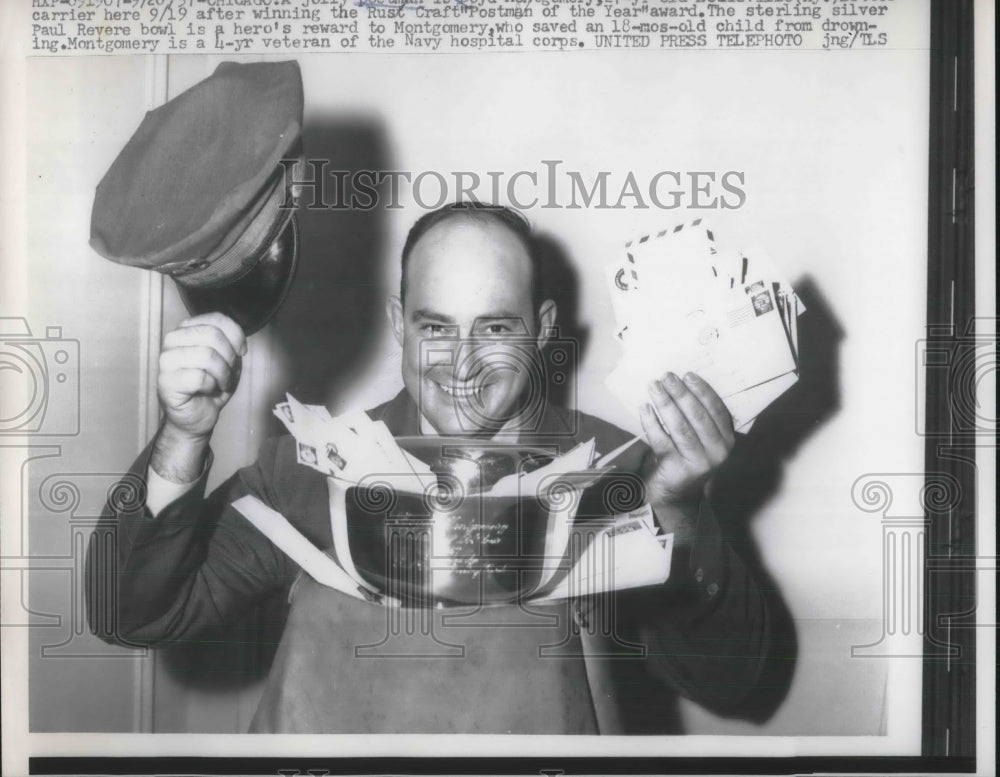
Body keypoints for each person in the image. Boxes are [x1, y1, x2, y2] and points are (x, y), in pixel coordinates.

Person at [88, 202, 771, 734]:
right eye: (436, 326)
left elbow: (733, 679)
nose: (463, 363)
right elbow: (135, 615)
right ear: (399, 323)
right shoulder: (314, 463)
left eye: (496, 327)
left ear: (542, 327)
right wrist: (183, 434)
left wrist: (678, 508)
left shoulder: (620, 470)